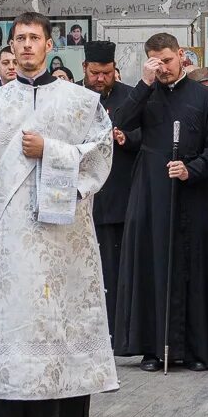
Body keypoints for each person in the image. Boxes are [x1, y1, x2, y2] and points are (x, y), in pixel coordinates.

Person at [0, 12, 116, 417]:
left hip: (63, 231)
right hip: (11, 228)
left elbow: (102, 150)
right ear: (11, 47)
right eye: (19, 38)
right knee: (14, 311)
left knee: (60, 313)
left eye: (34, 38)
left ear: (50, 45)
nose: (26, 45)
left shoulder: (80, 100)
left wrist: (50, 149)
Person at [111, 32, 208, 372]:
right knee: (153, 264)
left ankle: (196, 350)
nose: (161, 67)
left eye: (167, 60)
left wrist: (192, 169)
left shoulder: (204, 97)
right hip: (152, 192)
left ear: (181, 56)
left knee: (193, 266)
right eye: (155, 62)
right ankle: (152, 348)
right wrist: (144, 85)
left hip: (193, 193)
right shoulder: (145, 93)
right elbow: (120, 122)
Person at [84, 40, 140, 337]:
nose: (101, 79)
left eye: (107, 73)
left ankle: (118, 330)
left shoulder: (130, 96)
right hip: (83, 199)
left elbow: (144, 135)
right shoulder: (73, 98)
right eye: (95, 73)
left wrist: (126, 138)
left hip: (119, 197)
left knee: (117, 268)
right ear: (85, 69)